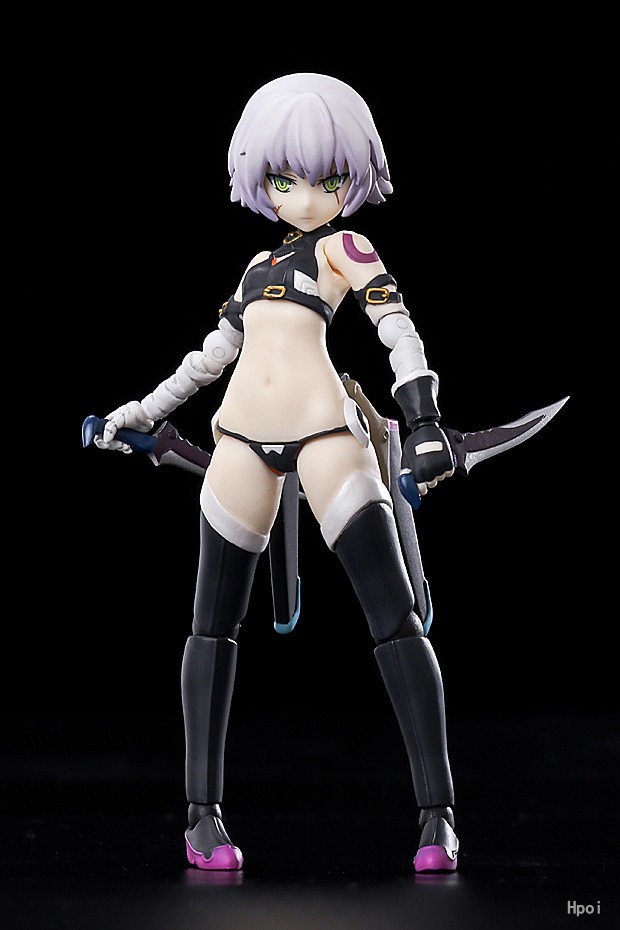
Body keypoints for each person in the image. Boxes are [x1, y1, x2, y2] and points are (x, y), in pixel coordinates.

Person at [95, 72, 459, 873]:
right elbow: (207, 358)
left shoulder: (343, 248)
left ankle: (438, 816)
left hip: (325, 432)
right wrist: (138, 412)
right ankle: (202, 819)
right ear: (261, 177)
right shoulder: (256, 264)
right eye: (286, 177)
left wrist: (424, 417)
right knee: (209, 628)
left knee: (395, 618)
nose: (307, 195)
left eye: (329, 177)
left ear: (352, 179)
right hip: (239, 443)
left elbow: (395, 325)